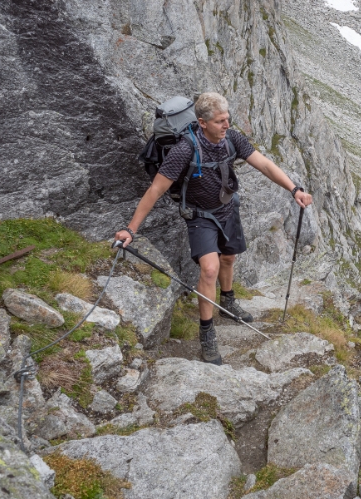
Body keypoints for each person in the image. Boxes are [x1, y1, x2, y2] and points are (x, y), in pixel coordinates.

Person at [114, 92, 312, 365]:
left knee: (228, 257)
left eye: (227, 119)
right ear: (202, 122)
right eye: (220, 121)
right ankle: (207, 333)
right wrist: (130, 229)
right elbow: (155, 190)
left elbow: (264, 164)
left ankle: (228, 302)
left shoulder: (232, 139)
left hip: (228, 207)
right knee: (209, 269)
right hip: (199, 216)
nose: (226, 125)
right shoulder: (184, 149)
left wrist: (294, 189)